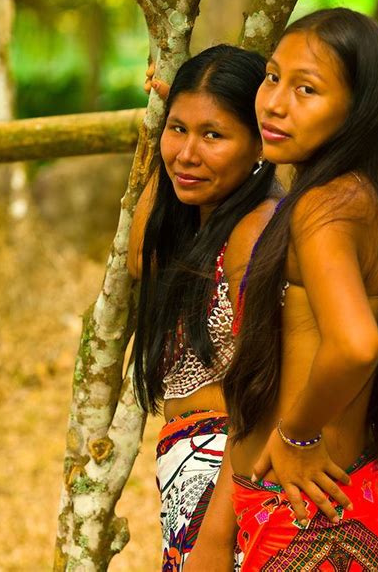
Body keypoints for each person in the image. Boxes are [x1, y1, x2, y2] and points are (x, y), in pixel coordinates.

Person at [215, 7, 378, 570]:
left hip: (307, 524)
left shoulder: (325, 207)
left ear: (357, 110)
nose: (273, 103)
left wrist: (298, 435)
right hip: (357, 498)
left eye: (307, 89)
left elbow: (356, 343)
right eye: (273, 77)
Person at [127, 44, 281, 570]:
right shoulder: (211, 218)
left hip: (229, 487)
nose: (187, 154)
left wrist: (215, 536)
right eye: (180, 130)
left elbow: (270, 391)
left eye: (213, 134)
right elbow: (139, 255)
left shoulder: (256, 231)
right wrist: (168, 124)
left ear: (262, 142)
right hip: (197, 482)